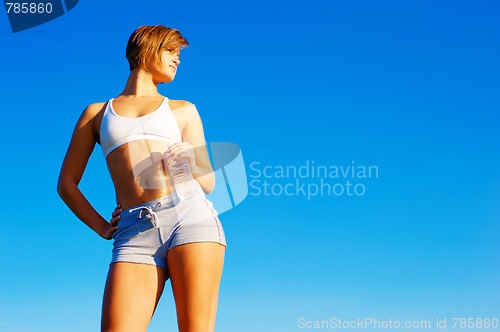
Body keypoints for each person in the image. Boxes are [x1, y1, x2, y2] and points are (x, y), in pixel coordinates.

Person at [57, 25, 227, 332]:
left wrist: (188, 162)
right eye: (171, 51)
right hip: (134, 232)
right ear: (147, 49)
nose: (178, 60)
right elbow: (67, 184)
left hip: (189, 219)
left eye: (179, 54)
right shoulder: (97, 113)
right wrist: (101, 227)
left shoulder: (183, 110)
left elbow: (209, 183)